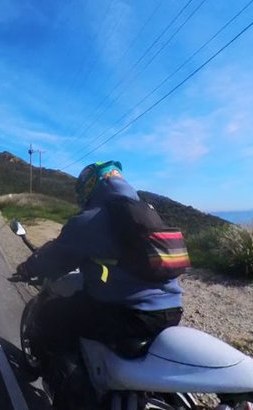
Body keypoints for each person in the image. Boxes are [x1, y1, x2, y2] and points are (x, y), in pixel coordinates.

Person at [15, 161, 184, 404]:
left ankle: (68, 394)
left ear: (89, 186)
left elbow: (56, 257)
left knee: (51, 317)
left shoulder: (92, 218)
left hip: (128, 314)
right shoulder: (146, 210)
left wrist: (28, 267)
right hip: (171, 308)